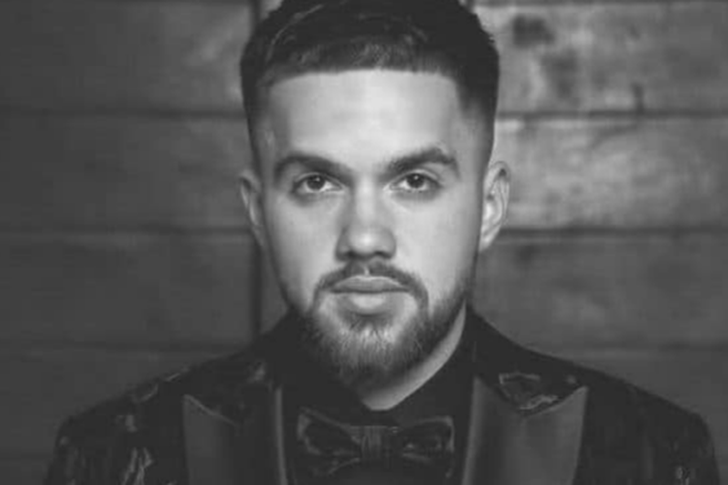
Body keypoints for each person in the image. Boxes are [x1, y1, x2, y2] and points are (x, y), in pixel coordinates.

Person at [44, 0, 720, 483]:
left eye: (415, 181)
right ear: (258, 211)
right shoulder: (113, 455)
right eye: (316, 183)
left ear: (488, 207)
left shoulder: (651, 455)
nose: (364, 237)